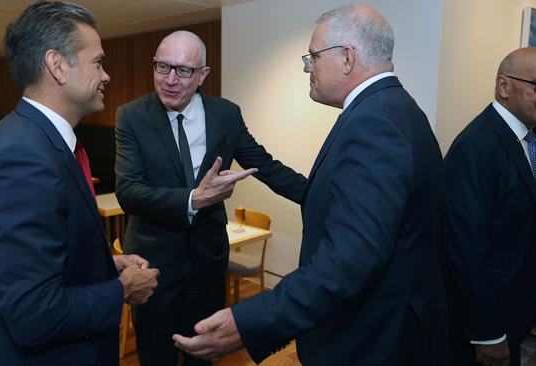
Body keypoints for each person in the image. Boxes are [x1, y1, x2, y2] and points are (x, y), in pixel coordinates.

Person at [173, 5, 448, 365]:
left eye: (313, 57)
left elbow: (349, 260)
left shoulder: (373, 123)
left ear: (347, 57)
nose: (307, 68)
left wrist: (249, 322)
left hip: (371, 338)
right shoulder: (396, 109)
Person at [0, 2, 159, 365]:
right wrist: (122, 290)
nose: (106, 76)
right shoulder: (22, 159)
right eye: (98, 62)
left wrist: (105, 264)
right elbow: (34, 315)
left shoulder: (32, 138)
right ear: (57, 66)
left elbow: (48, 252)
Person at [114, 30, 307, 365]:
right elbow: (129, 192)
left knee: (203, 353)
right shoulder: (131, 116)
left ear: (203, 74)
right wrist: (193, 199)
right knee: (154, 354)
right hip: (152, 263)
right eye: (163, 67)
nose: (170, 80)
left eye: (183, 70)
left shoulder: (225, 116)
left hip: (207, 260)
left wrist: (321, 196)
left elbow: (266, 166)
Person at [444, 47, 536, 366]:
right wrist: (488, 334)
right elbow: (466, 250)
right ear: (504, 86)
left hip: (514, 313)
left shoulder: (525, 139)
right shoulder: (476, 146)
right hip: (487, 327)